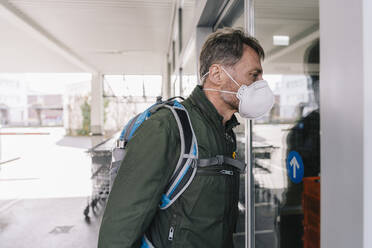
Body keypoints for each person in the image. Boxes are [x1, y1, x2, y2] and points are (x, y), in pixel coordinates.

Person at [98, 28, 274, 248]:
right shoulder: (166, 127)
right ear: (218, 74)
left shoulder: (225, 131)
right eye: (254, 75)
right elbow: (120, 229)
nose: (261, 84)